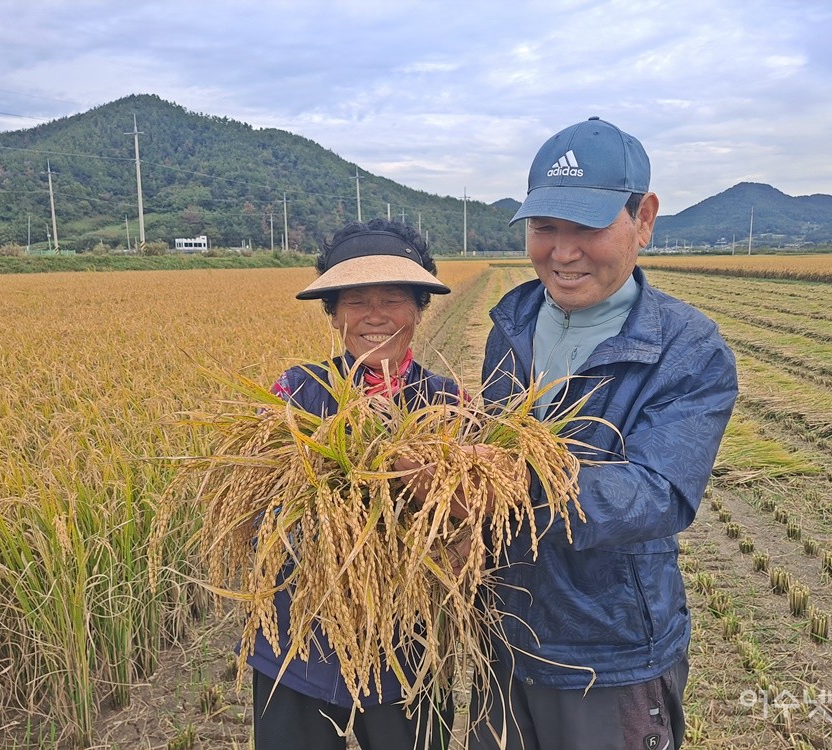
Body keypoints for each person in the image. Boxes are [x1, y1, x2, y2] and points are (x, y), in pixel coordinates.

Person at [470, 117, 739, 750]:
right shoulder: (512, 322)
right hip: (503, 638)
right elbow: (489, 445)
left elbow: (657, 493)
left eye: (587, 228)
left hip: (608, 653)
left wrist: (501, 482)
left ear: (643, 217)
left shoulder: (686, 348)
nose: (562, 254)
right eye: (544, 229)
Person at [249, 218, 458, 750]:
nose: (375, 317)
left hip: (408, 647)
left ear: (418, 309)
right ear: (335, 314)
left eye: (392, 300)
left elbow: (470, 519)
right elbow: (254, 500)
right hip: (298, 645)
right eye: (356, 302)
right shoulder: (295, 392)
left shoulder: (449, 403)